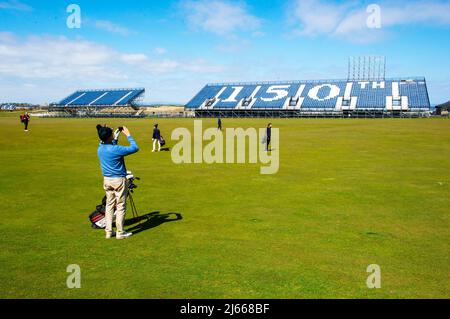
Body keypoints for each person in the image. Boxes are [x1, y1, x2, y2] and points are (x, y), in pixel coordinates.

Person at [97, 125, 139, 240]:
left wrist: (116, 135)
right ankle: (120, 232)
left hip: (107, 180)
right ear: (109, 136)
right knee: (120, 206)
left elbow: (110, 144)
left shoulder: (100, 147)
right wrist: (128, 135)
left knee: (109, 205)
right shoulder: (116, 149)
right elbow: (135, 148)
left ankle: (108, 231)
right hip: (118, 180)